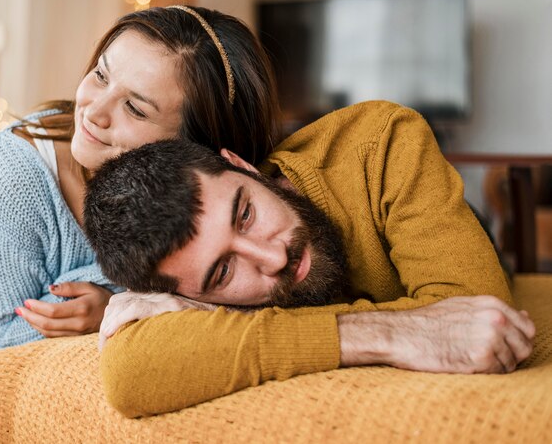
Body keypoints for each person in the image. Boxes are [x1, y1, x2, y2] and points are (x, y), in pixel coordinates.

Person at [84, 100, 535, 417]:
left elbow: (477, 317)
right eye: (223, 272)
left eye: (245, 214)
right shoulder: (173, 275)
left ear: (241, 164)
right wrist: (388, 333)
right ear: (186, 295)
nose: (274, 256)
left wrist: (229, 325)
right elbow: (129, 373)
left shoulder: (381, 141)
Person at [0, 5, 281, 350]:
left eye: (135, 108)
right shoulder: (11, 170)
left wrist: (111, 300)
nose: (94, 112)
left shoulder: (229, 198)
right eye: (101, 76)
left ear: (191, 149)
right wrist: (119, 298)